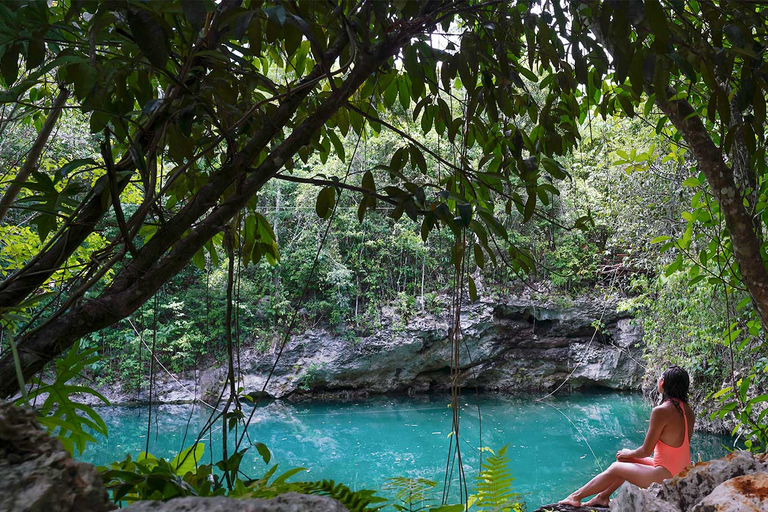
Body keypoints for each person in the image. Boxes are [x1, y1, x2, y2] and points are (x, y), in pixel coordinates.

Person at [558, 366, 694, 508]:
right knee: (624, 459)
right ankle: (602, 497)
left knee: (617, 467)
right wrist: (628, 455)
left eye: (660, 377)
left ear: (662, 383)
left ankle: (575, 497)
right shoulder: (688, 411)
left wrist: (628, 452)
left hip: (667, 476)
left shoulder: (661, 411)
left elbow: (646, 451)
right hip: (680, 472)